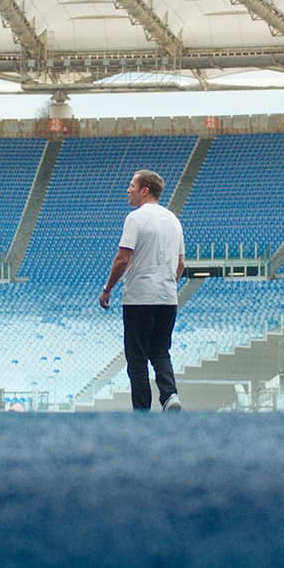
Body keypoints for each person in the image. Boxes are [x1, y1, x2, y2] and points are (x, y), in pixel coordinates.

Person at [98, 169, 185, 412]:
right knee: (160, 350)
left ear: (145, 191)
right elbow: (180, 264)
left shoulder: (135, 219)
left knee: (137, 358)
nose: (128, 190)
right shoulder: (173, 221)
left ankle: (142, 412)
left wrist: (108, 289)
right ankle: (170, 395)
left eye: (132, 186)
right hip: (167, 297)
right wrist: (167, 285)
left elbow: (123, 259)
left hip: (139, 297)